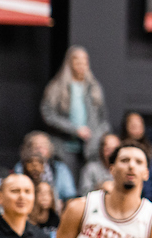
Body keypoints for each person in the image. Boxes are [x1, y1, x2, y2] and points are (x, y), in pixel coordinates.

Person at [40, 46, 111, 175]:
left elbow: (103, 121)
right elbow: (48, 114)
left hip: (90, 149)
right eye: (77, 61)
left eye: (84, 61)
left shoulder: (94, 88)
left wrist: (96, 137)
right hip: (64, 147)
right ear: (69, 62)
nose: (81, 65)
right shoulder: (56, 87)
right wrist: (74, 129)